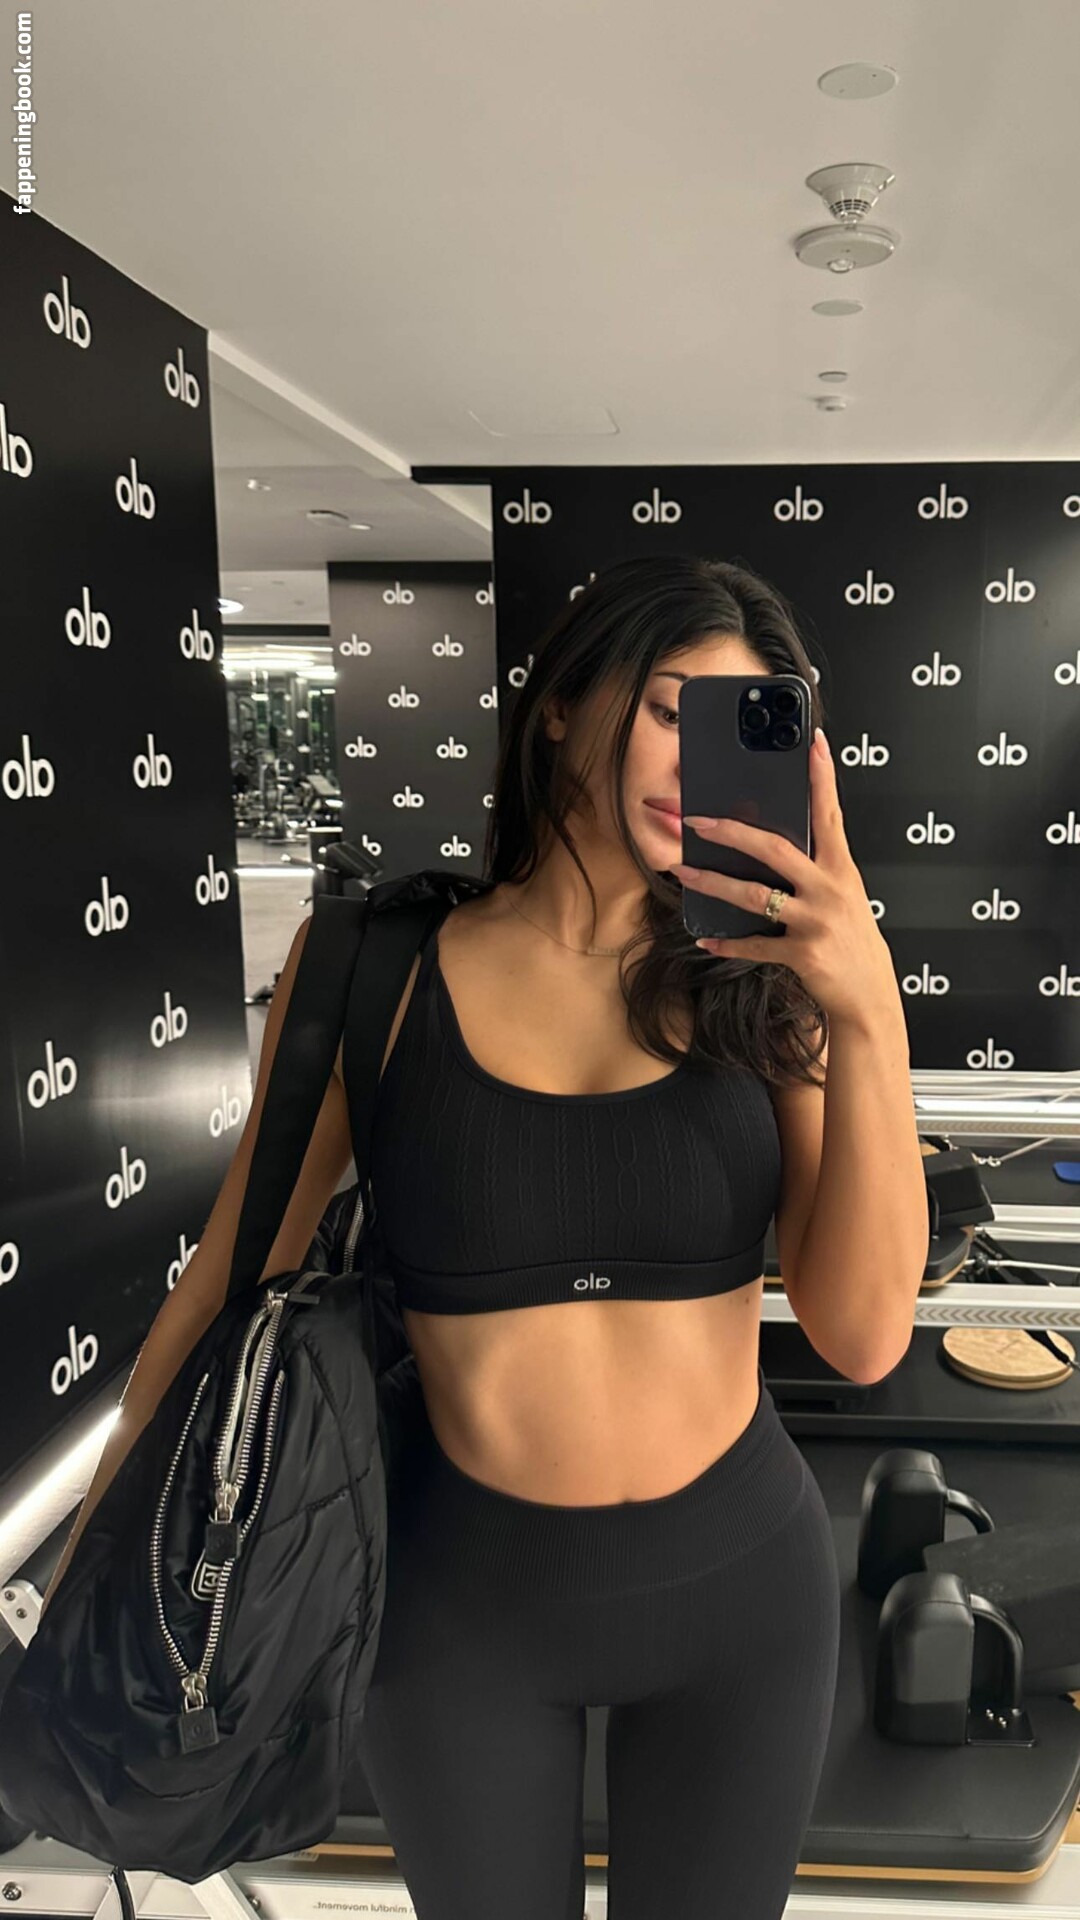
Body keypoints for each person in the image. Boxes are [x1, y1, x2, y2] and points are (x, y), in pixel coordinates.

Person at [349, 555, 844, 1919]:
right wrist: (102, 1578)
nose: (696, 764)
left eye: (742, 732)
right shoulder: (380, 970)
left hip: (745, 1597)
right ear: (563, 703)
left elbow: (861, 1335)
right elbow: (230, 1285)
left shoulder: (766, 987)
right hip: (458, 1607)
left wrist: (864, 1001)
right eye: (672, 710)